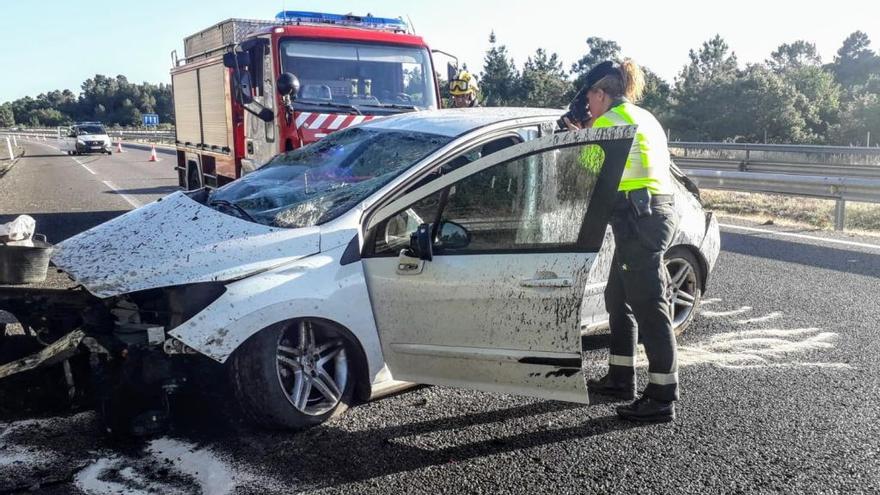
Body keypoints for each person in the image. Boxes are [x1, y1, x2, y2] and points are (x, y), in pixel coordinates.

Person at [567, 60, 680, 423]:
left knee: (649, 305)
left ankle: (662, 396)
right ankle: (621, 377)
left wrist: (577, 137)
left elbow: (585, 168)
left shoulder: (608, 124)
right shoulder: (643, 116)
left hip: (639, 220)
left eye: (590, 99)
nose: (589, 105)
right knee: (618, 297)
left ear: (601, 94)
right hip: (651, 215)